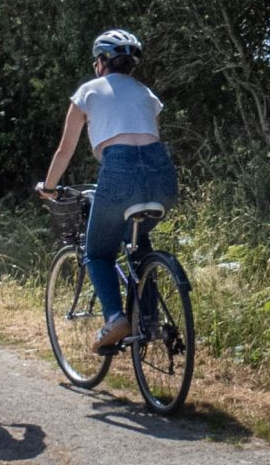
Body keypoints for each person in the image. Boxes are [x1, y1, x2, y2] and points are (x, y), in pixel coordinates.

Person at [35, 28, 174, 354]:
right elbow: (148, 139)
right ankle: (148, 322)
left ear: (101, 62)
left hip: (119, 171)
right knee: (139, 244)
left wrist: (49, 187)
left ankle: (115, 319)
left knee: (98, 254)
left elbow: (64, 150)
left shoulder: (88, 91)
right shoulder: (145, 93)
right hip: (162, 174)